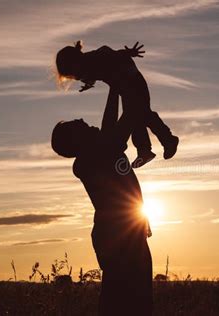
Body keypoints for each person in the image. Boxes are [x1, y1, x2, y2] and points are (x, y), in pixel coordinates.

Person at [51, 84, 153, 315]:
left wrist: (142, 216)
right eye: (78, 125)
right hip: (116, 234)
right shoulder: (88, 160)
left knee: (131, 300)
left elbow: (126, 191)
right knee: (124, 300)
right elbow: (111, 128)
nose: (81, 119)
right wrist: (116, 86)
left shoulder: (99, 151)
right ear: (75, 141)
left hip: (125, 230)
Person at [55, 40, 179, 168]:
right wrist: (88, 84)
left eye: (74, 74)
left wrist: (129, 53)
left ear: (77, 62)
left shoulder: (97, 57)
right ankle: (145, 149)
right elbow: (92, 75)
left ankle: (167, 140)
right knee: (135, 117)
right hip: (123, 88)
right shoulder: (86, 69)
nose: (76, 78)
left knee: (144, 114)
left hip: (133, 80)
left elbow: (113, 54)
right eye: (73, 77)